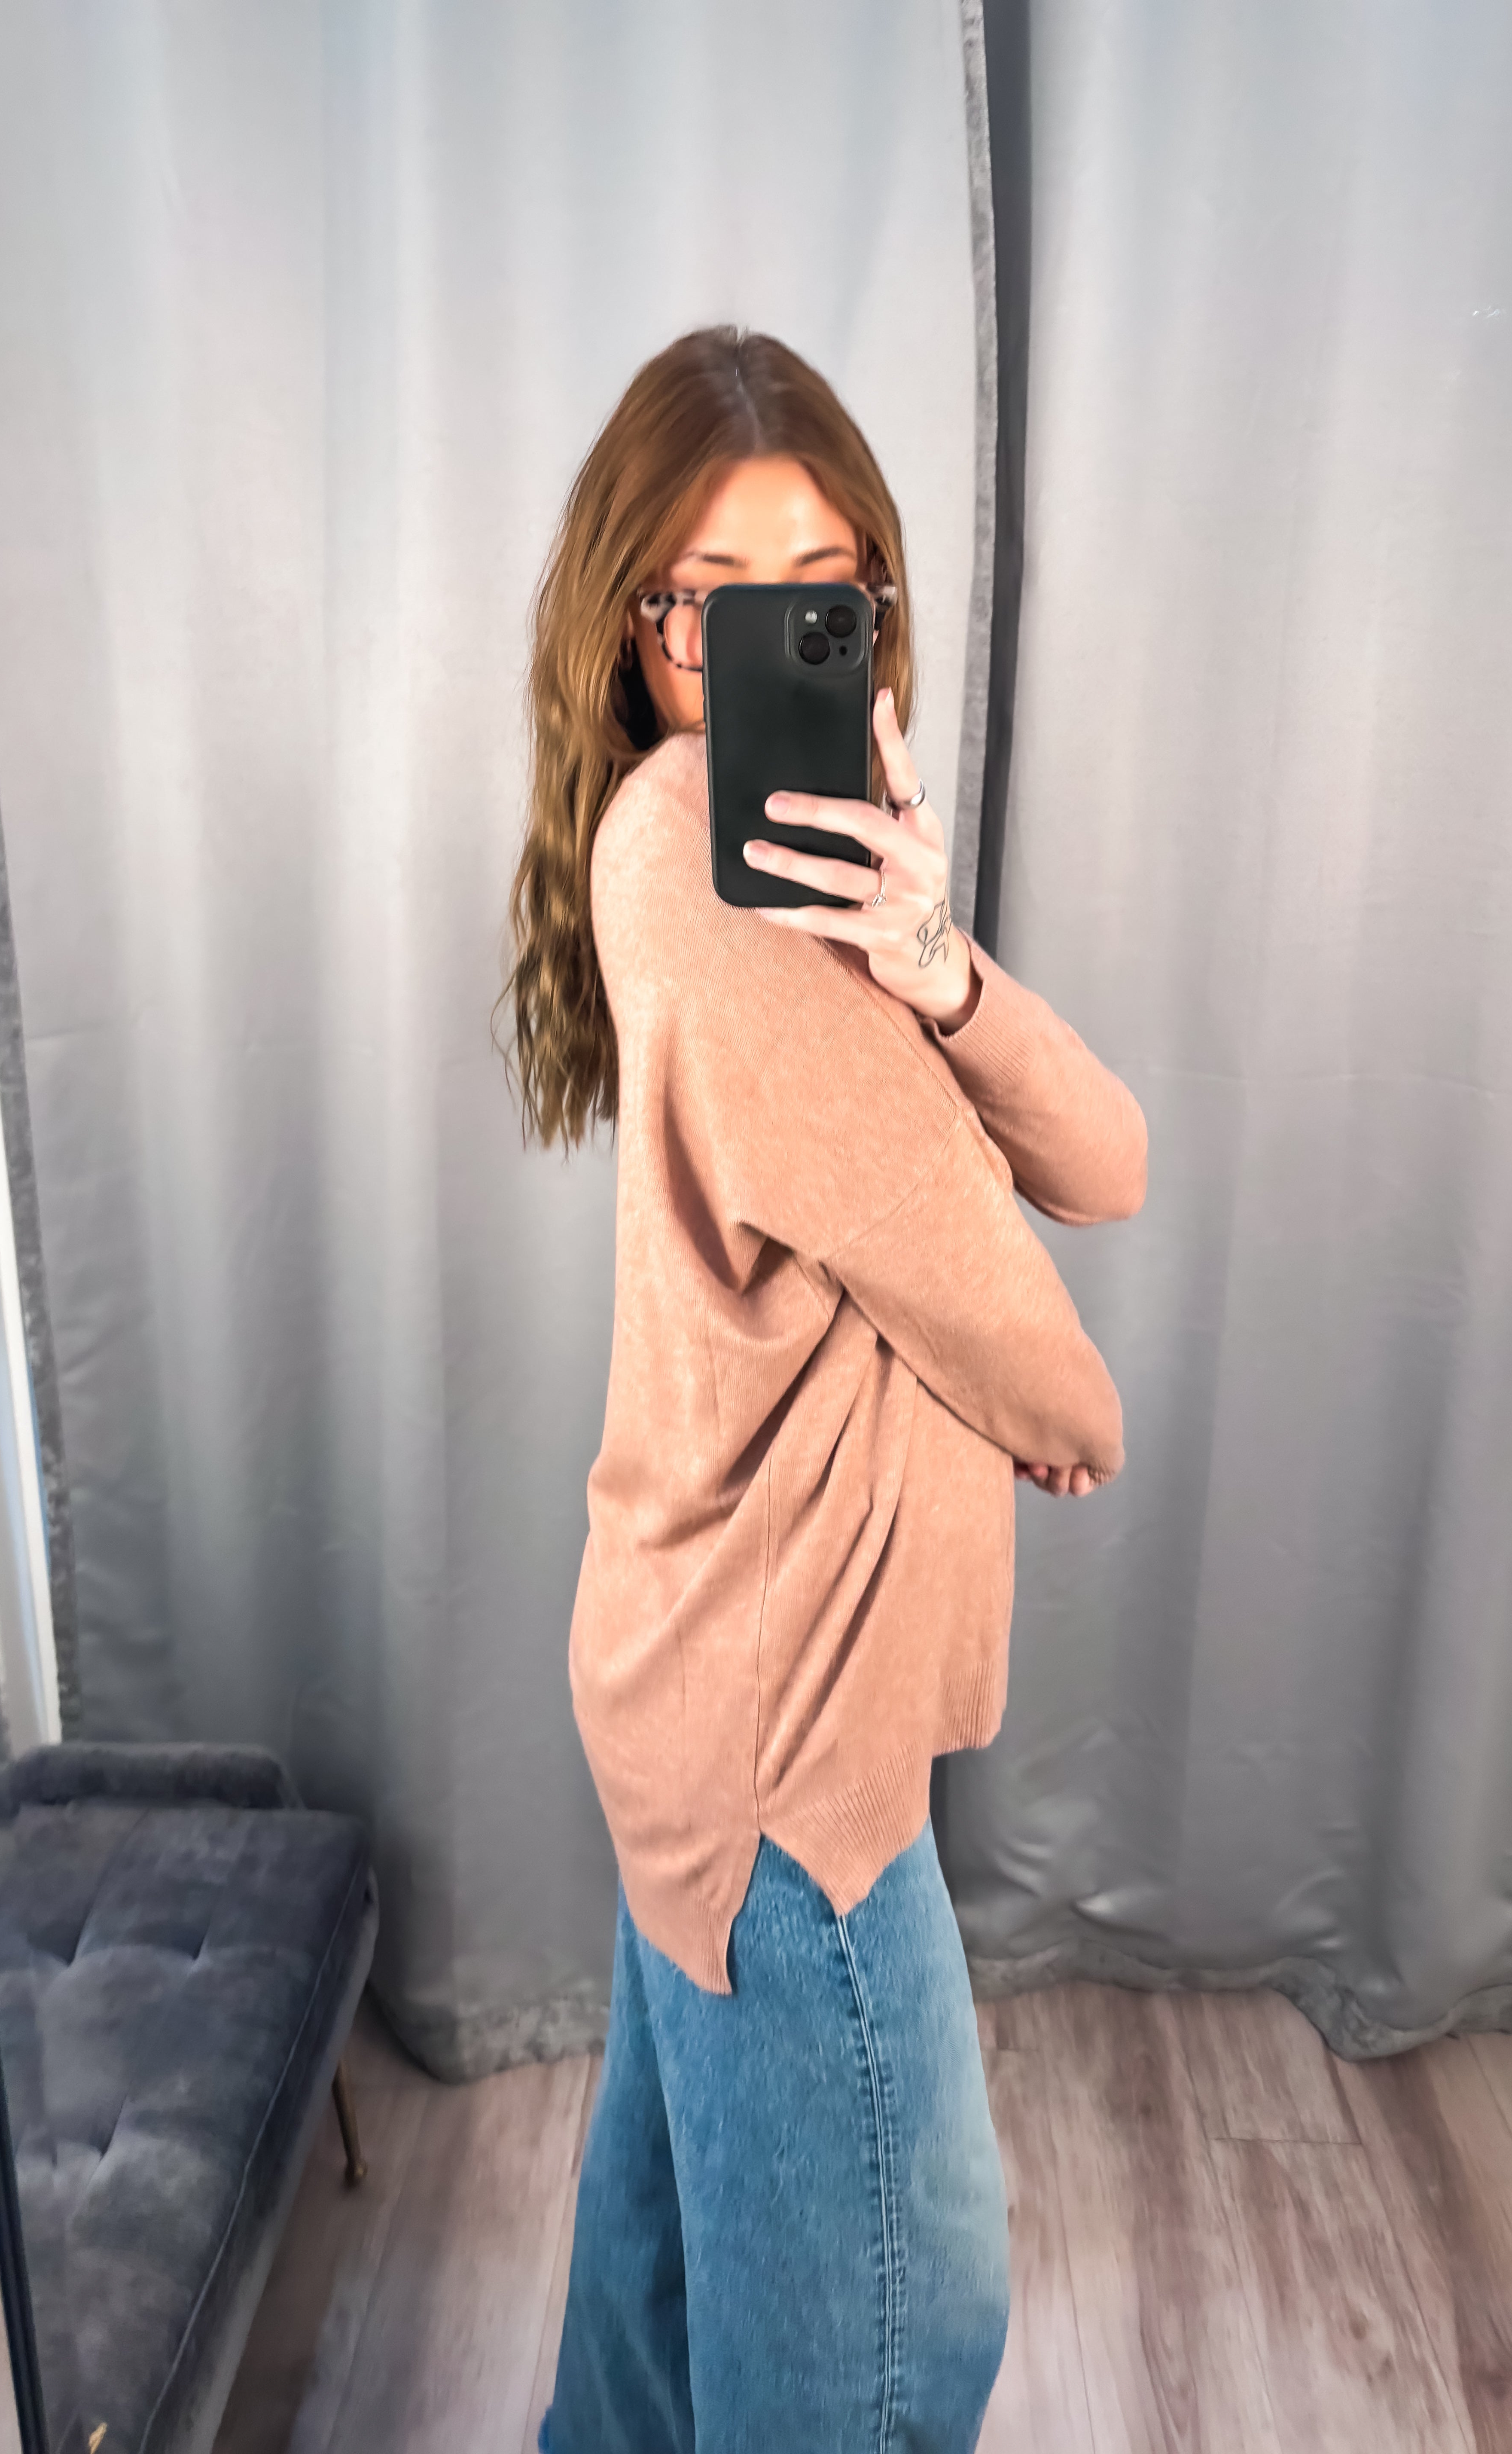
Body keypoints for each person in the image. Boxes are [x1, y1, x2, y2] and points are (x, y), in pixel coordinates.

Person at [502, 326, 1147, 2453]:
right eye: (711, 598)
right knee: (878, 2363)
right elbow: (954, 1243)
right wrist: (1065, 1413)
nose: (767, 642)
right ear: (639, 628)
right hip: (788, 1745)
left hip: (705, 1677)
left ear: (872, 608)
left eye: (822, 590)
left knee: (658, 2310)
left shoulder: (794, 878)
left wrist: (935, 963)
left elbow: (1103, 1160)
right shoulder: (699, 858)